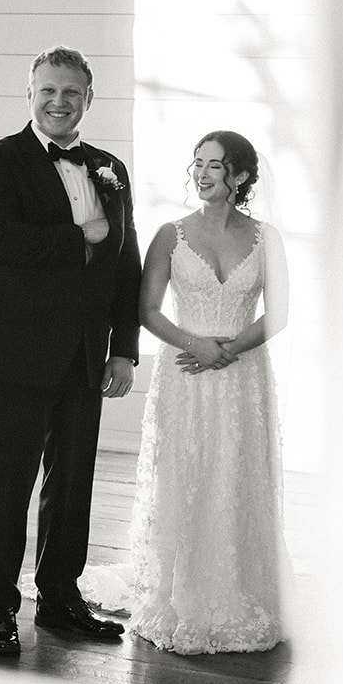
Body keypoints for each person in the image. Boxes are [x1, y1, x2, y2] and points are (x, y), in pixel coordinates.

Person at [0, 46, 142, 656]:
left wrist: (124, 349)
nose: (59, 101)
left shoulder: (110, 168)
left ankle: (62, 597)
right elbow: (0, 241)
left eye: (72, 92)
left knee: (72, 484)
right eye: (48, 90)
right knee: (9, 486)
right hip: (17, 353)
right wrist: (80, 237)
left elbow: (127, 264)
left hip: (86, 355)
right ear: (31, 94)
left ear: (89, 99)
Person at [125, 131, 290, 653]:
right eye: (197, 163)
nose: (201, 173)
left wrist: (230, 349)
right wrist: (197, 343)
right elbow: (147, 310)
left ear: (239, 176)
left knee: (238, 476)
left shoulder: (267, 239)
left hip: (242, 379)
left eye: (214, 166)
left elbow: (280, 313)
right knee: (188, 475)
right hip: (186, 375)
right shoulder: (170, 236)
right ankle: (179, 592)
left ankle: (239, 587)